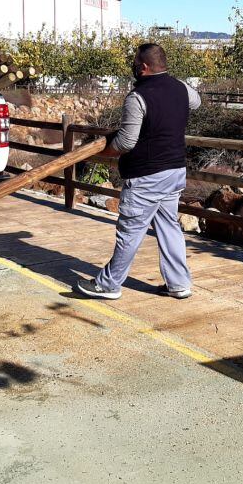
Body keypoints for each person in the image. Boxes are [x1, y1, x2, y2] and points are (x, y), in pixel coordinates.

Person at [76, 42, 201, 301]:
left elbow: (125, 142)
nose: (132, 66)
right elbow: (196, 102)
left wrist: (100, 154)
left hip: (146, 177)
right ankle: (179, 284)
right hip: (175, 172)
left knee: (130, 231)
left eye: (135, 62)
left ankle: (109, 284)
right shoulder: (182, 88)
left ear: (143, 67)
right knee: (169, 227)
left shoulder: (137, 98)